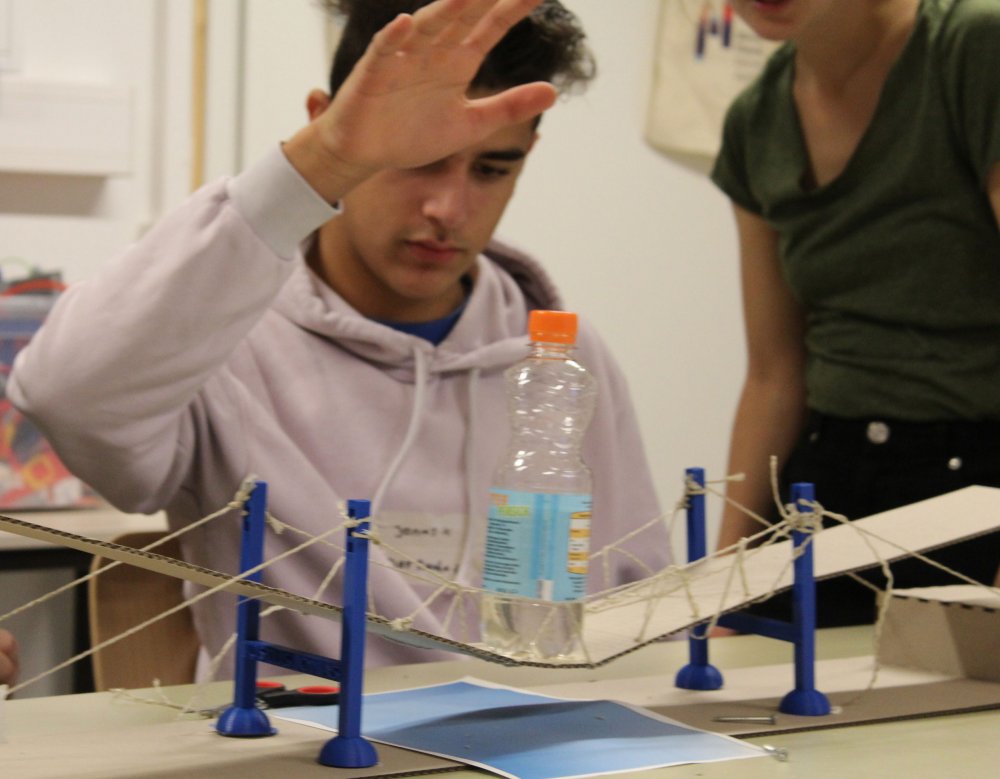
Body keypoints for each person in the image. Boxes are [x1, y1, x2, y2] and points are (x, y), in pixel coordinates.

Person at [7, 0, 669, 675]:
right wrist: (321, 161)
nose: (448, 209)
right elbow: (63, 394)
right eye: (419, 160)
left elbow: (642, 612)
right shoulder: (218, 340)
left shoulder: (563, 362)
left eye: (492, 170)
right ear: (328, 119)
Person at [713, 0, 1000, 626]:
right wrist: (718, 586)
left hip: (977, 480)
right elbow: (773, 375)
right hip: (825, 478)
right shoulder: (754, 121)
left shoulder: (973, 48)